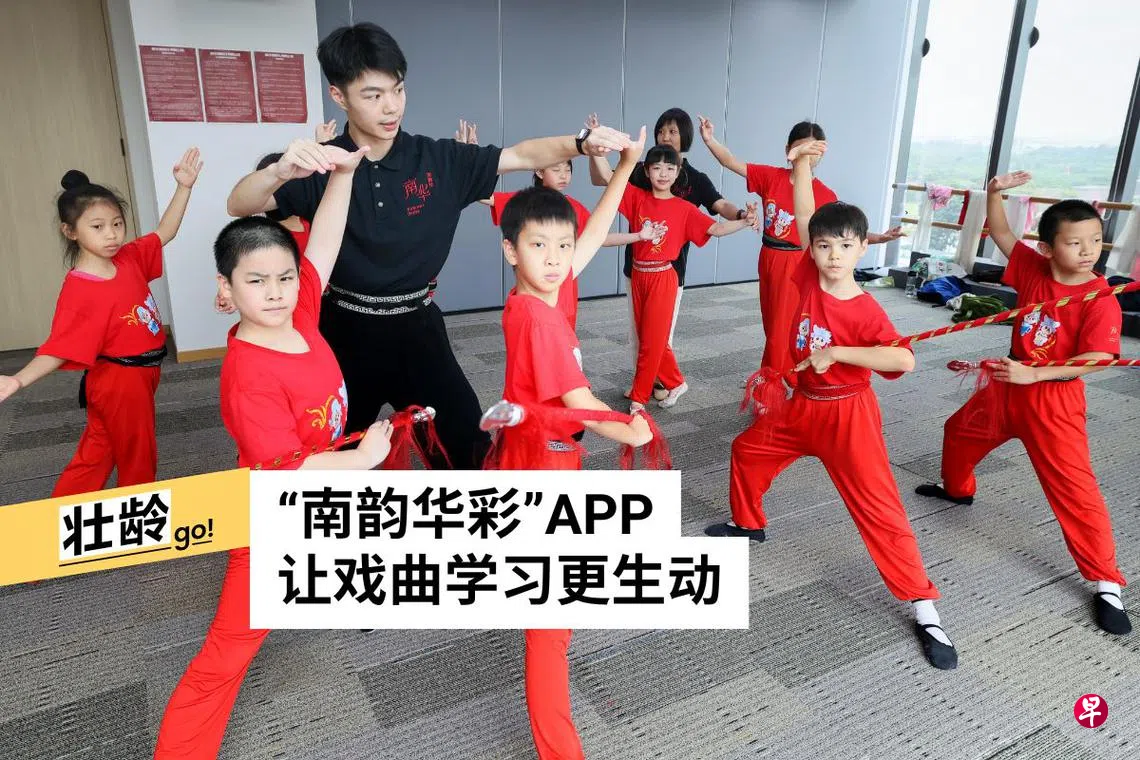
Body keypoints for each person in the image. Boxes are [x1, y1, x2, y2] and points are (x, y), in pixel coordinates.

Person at [226, 22, 634, 470]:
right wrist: (279, 170)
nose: (391, 107)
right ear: (339, 96)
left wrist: (580, 143)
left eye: (398, 90)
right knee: (328, 458)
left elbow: (520, 155)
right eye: (373, 95)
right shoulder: (327, 164)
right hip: (343, 332)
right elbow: (240, 203)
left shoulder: (439, 160)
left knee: (467, 447)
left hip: (418, 328)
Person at [153, 142, 396, 760]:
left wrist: (344, 173)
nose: (276, 292)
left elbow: (326, 245)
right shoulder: (247, 374)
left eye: (285, 277)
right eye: (256, 282)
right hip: (271, 513)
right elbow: (284, 469)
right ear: (226, 289)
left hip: (322, 487)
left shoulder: (300, 316)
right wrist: (362, 459)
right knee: (228, 651)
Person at [706, 142, 957, 670]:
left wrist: (840, 352)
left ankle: (924, 605)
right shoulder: (805, 273)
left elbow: (904, 361)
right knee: (748, 450)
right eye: (824, 246)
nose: (833, 255)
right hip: (802, 407)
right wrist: (800, 163)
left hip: (848, 415)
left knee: (879, 507)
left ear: (862, 248)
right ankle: (748, 523)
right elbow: (804, 214)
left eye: (844, 246)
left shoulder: (866, 310)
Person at [915, 171, 1130, 635]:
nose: (1089, 251)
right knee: (958, 433)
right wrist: (994, 193)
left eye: (1096, 240)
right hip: (1006, 383)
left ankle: (1106, 583)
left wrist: (1036, 374)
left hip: (1054, 400)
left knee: (1075, 490)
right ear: (1048, 248)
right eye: (1075, 243)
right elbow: (1002, 232)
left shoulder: (1101, 298)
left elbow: (1095, 360)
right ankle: (958, 490)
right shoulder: (1033, 268)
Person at [497, 128, 653, 760]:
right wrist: (631, 428)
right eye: (539, 245)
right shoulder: (539, 319)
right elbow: (581, 402)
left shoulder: (535, 293)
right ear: (511, 250)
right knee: (549, 627)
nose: (558, 258)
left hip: (540, 454)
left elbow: (588, 239)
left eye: (562, 245)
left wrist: (625, 169)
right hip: (543, 464)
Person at [0, 149, 202, 496]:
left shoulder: (128, 258)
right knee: (137, 451)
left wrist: (184, 187)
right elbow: (59, 347)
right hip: (119, 381)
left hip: (140, 374)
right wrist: (19, 380)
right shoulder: (80, 289)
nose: (111, 235)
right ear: (70, 231)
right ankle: (137, 511)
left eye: (117, 224)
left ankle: (61, 509)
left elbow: (164, 232)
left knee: (101, 447)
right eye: (97, 227)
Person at [699, 118, 903, 380]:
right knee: (772, 321)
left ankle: (775, 379)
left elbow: (842, 234)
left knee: (786, 325)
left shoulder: (825, 194)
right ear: (789, 150)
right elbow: (730, 161)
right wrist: (710, 140)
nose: (808, 155)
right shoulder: (771, 177)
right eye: (801, 148)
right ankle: (781, 373)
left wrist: (878, 238)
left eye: (813, 150)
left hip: (799, 259)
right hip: (770, 256)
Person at [588, 108, 750, 397]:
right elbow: (608, 180)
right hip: (637, 266)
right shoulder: (641, 172)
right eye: (661, 131)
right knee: (639, 334)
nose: (665, 136)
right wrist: (596, 145)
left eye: (673, 131)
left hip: (670, 269)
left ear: (684, 137)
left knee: (660, 334)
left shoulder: (694, 181)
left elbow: (719, 209)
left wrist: (741, 216)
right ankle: (646, 381)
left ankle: (662, 383)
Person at [455, 118, 665, 331]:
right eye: (556, 170)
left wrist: (638, 236)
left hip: (565, 291)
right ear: (539, 171)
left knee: (564, 337)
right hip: (537, 294)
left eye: (567, 170)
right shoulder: (525, 202)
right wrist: (472, 162)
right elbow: (484, 196)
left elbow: (599, 237)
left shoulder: (572, 207)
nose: (564, 176)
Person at [619, 145, 759, 411]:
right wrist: (596, 149)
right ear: (646, 171)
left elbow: (716, 228)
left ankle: (639, 398)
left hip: (663, 277)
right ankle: (676, 382)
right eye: (656, 168)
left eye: (669, 168)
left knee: (651, 342)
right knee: (650, 336)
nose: (663, 174)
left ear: (678, 172)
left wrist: (744, 221)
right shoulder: (637, 197)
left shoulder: (684, 208)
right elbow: (607, 178)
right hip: (638, 275)